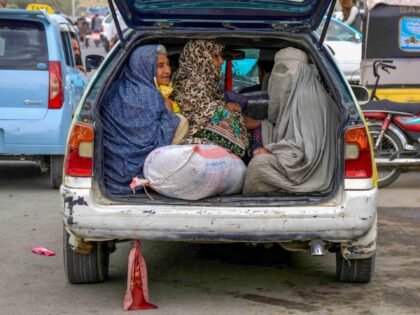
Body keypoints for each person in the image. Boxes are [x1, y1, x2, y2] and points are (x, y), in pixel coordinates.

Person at [242, 47, 340, 195]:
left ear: (302, 71)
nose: (280, 76)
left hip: (308, 170)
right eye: (277, 70)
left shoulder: (308, 99)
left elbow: (308, 150)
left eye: (285, 70)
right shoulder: (300, 94)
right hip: (295, 158)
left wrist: (269, 150)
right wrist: (260, 125)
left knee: (258, 166)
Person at [101, 45, 187, 194]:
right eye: (160, 66)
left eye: (168, 65)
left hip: (110, 175)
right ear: (144, 67)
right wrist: (168, 112)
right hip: (138, 176)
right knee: (180, 120)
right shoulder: (152, 96)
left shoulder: (113, 89)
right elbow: (160, 143)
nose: (167, 71)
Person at [171, 39, 250, 157]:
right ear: (201, 59)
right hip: (193, 140)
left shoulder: (207, 83)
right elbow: (201, 117)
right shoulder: (193, 83)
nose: (222, 61)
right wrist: (226, 107)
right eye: (215, 56)